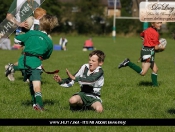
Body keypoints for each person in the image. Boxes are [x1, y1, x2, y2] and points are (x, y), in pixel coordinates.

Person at [13, 15, 58, 111]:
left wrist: (18, 29)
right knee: (37, 86)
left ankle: (35, 105)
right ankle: (40, 105)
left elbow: (16, 40)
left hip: (24, 61)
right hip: (36, 63)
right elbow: (47, 55)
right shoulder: (49, 41)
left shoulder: (31, 33)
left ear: (40, 24)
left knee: (31, 85)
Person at [5, 7, 47, 82]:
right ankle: (13, 69)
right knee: (28, 63)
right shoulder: (37, 24)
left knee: (25, 62)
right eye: (45, 15)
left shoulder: (35, 22)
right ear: (40, 16)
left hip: (30, 45)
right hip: (32, 47)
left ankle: (14, 69)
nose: (46, 17)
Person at [118, 22, 165, 87]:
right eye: (158, 23)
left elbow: (141, 35)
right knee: (143, 73)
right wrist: (162, 47)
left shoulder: (147, 30)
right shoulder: (156, 33)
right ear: (152, 24)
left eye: (160, 23)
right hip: (148, 53)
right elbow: (156, 48)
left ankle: (155, 86)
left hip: (145, 50)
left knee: (155, 69)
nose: (160, 24)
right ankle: (128, 63)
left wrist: (146, 41)